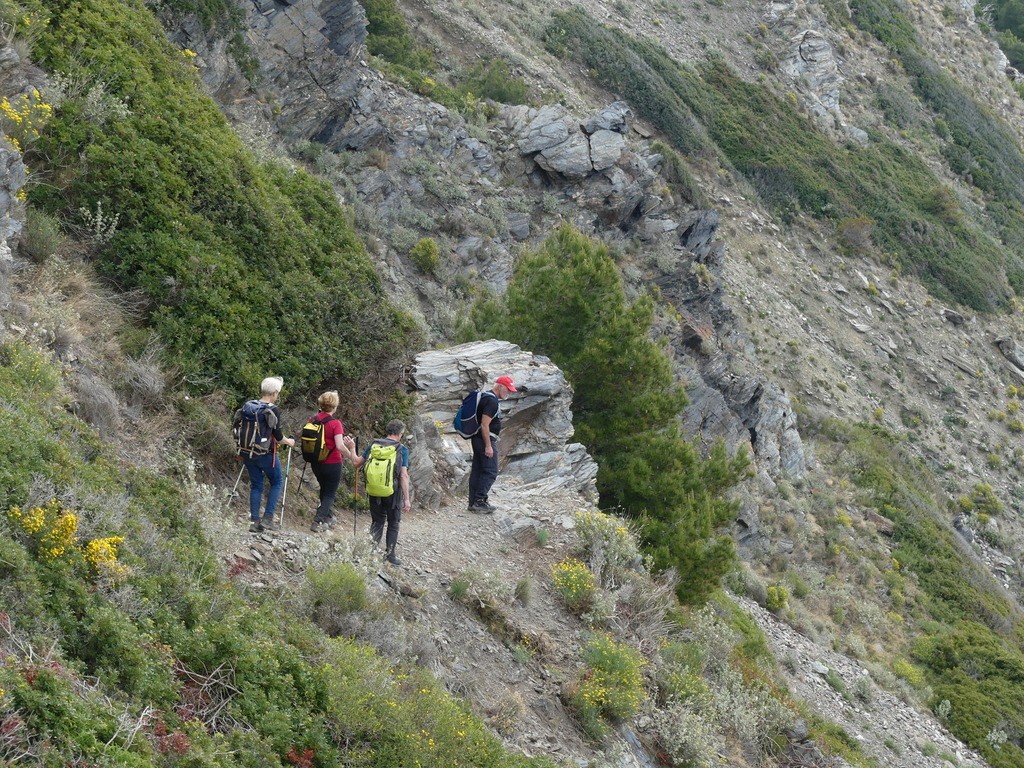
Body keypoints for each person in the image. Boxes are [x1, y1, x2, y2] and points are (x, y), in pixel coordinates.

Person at [343, 420, 410, 565]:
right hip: (393, 492)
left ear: (387, 431)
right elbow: (404, 476)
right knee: (393, 523)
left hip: (373, 490)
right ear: (400, 434)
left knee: (377, 521)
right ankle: (390, 556)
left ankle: (369, 553)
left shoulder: (374, 446)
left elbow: (356, 463)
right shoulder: (402, 449)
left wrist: (352, 447)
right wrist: (407, 499)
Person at [238, 376, 295, 532]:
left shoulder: (249, 406)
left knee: (256, 485)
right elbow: (278, 436)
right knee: (277, 481)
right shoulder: (272, 409)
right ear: (274, 392)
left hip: (248, 452)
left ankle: (254, 522)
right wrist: (289, 442)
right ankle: (268, 518)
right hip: (266, 454)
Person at [468, 375, 516, 513]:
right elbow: (484, 425)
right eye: (508, 389)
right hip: (484, 439)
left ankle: (473, 502)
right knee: (491, 471)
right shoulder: (491, 401)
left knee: (478, 470)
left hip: (477, 439)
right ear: (500, 386)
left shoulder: (485, 396)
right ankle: (479, 501)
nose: (509, 393)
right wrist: (488, 445)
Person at [308, 390, 347, 533]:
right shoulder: (335, 424)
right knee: (330, 492)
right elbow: (340, 445)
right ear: (335, 406)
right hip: (332, 463)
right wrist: (350, 454)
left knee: (324, 489)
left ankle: (328, 516)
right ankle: (318, 521)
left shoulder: (312, 420)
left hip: (316, 463)